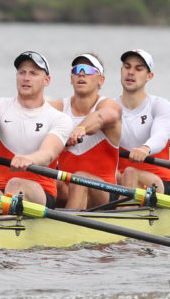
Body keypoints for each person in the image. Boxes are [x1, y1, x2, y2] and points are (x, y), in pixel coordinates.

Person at [0, 51, 72, 207]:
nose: (26, 78)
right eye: (22, 72)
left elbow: (48, 154)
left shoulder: (59, 118)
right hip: (1, 191)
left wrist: (29, 159)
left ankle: (3, 227)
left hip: (40, 192)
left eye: (33, 73)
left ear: (46, 80)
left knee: (16, 183)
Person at [49, 53, 122, 209]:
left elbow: (101, 117)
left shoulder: (109, 105)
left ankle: (65, 228)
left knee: (79, 179)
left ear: (101, 80)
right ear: (71, 79)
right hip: (66, 189)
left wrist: (81, 128)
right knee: (49, 180)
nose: (81, 73)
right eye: (76, 70)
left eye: (88, 70)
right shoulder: (57, 107)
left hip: (105, 192)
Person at [115, 49, 170, 196]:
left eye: (138, 69)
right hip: (118, 180)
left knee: (130, 173)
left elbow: (160, 135)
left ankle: (124, 215)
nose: (131, 72)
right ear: (121, 71)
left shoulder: (160, 105)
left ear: (149, 76)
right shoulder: (110, 107)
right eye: (127, 67)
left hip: (159, 181)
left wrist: (145, 148)